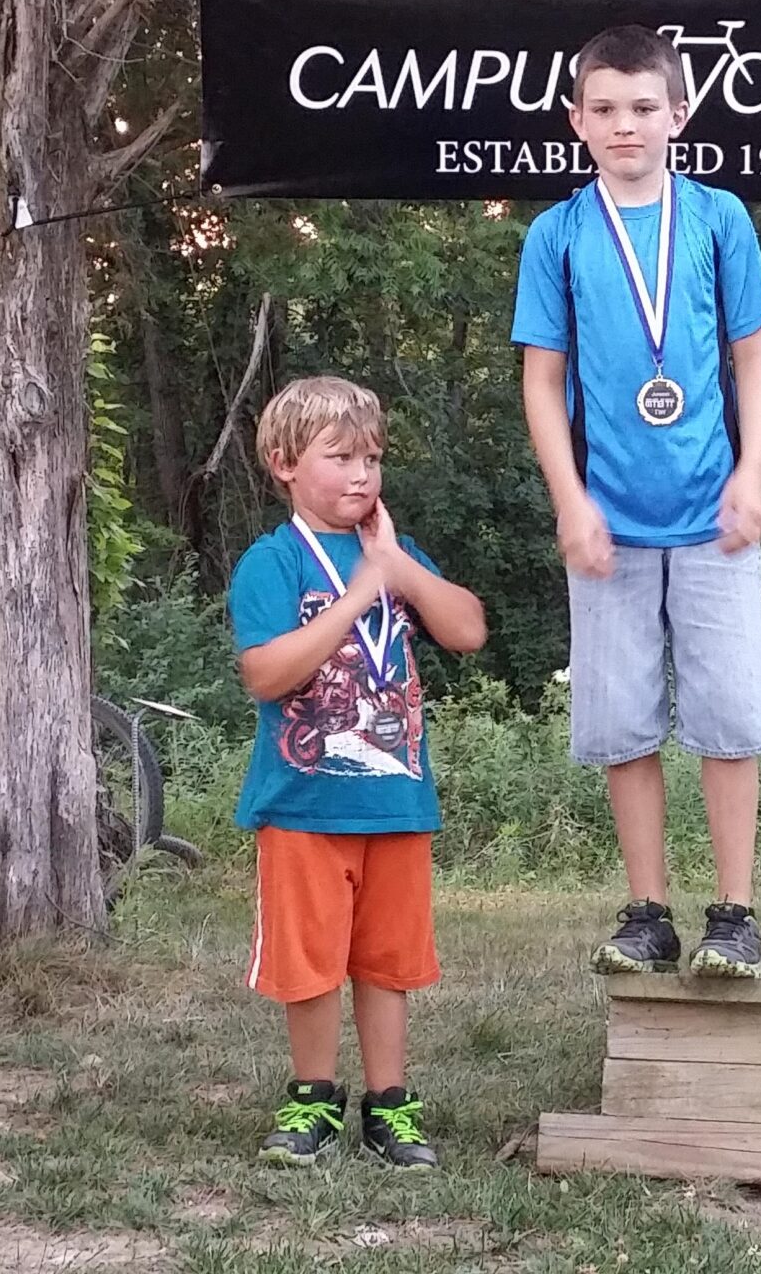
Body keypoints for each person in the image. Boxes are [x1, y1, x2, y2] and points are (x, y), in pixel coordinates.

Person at [512, 25, 761, 979]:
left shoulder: (718, 220)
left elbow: (755, 358)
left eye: (642, 107)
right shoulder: (559, 234)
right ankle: (647, 913)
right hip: (610, 527)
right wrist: (570, 500)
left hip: (714, 520)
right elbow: (543, 380)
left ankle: (735, 915)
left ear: (678, 112)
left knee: (730, 717)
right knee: (623, 723)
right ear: (576, 120)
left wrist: (751, 474)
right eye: (604, 109)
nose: (624, 125)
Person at [230, 376, 486, 1168]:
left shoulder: (395, 554)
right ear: (284, 463)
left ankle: (390, 1105)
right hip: (302, 805)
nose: (361, 475)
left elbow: (467, 630)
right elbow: (268, 673)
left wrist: (396, 571)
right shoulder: (272, 562)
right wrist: (356, 597)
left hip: (397, 803)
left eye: (371, 457)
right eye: (339, 457)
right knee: (309, 963)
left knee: (387, 961)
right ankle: (312, 1098)